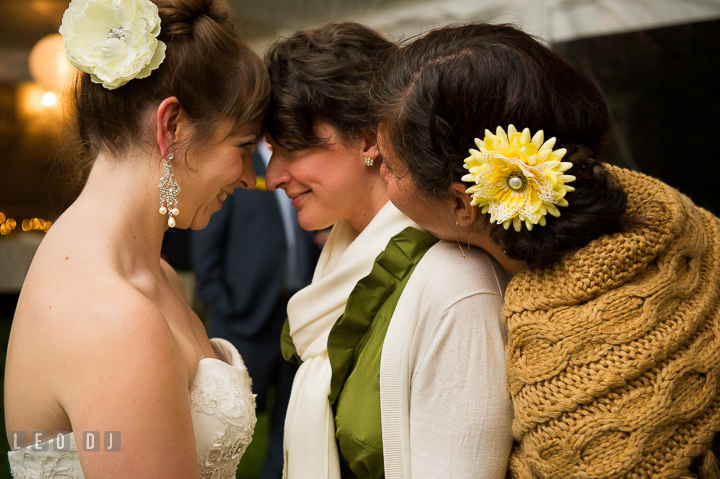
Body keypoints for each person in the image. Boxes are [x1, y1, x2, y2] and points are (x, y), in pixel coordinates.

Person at [374, 22, 720, 479]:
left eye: (388, 166)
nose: (377, 176)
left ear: (461, 203)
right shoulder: (688, 227)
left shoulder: (579, 379)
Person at [4, 0, 269, 477]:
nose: (250, 177)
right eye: (243, 147)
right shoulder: (111, 316)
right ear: (171, 126)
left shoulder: (153, 272)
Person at [264, 21, 513, 479]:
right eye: (270, 152)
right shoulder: (340, 259)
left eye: (293, 148)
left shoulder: (458, 282)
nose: (273, 175)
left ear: (367, 139)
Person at [191, 139, 320, 479]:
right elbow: (208, 239)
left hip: (296, 315)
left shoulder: (302, 174)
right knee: (231, 421)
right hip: (243, 315)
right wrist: (219, 298)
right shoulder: (242, 173)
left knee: (290, 415)